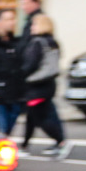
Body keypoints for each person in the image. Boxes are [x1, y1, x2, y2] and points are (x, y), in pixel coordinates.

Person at [19, 14, 68, 157]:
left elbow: (30, 65)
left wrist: (19, 75)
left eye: (34, 25)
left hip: (36, 86)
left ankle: (61, 141)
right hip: (48, 83)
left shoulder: (37, 43)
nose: (32, 28)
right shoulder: (53, 42)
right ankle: (25, 145)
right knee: (32, 117)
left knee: (39, 118)